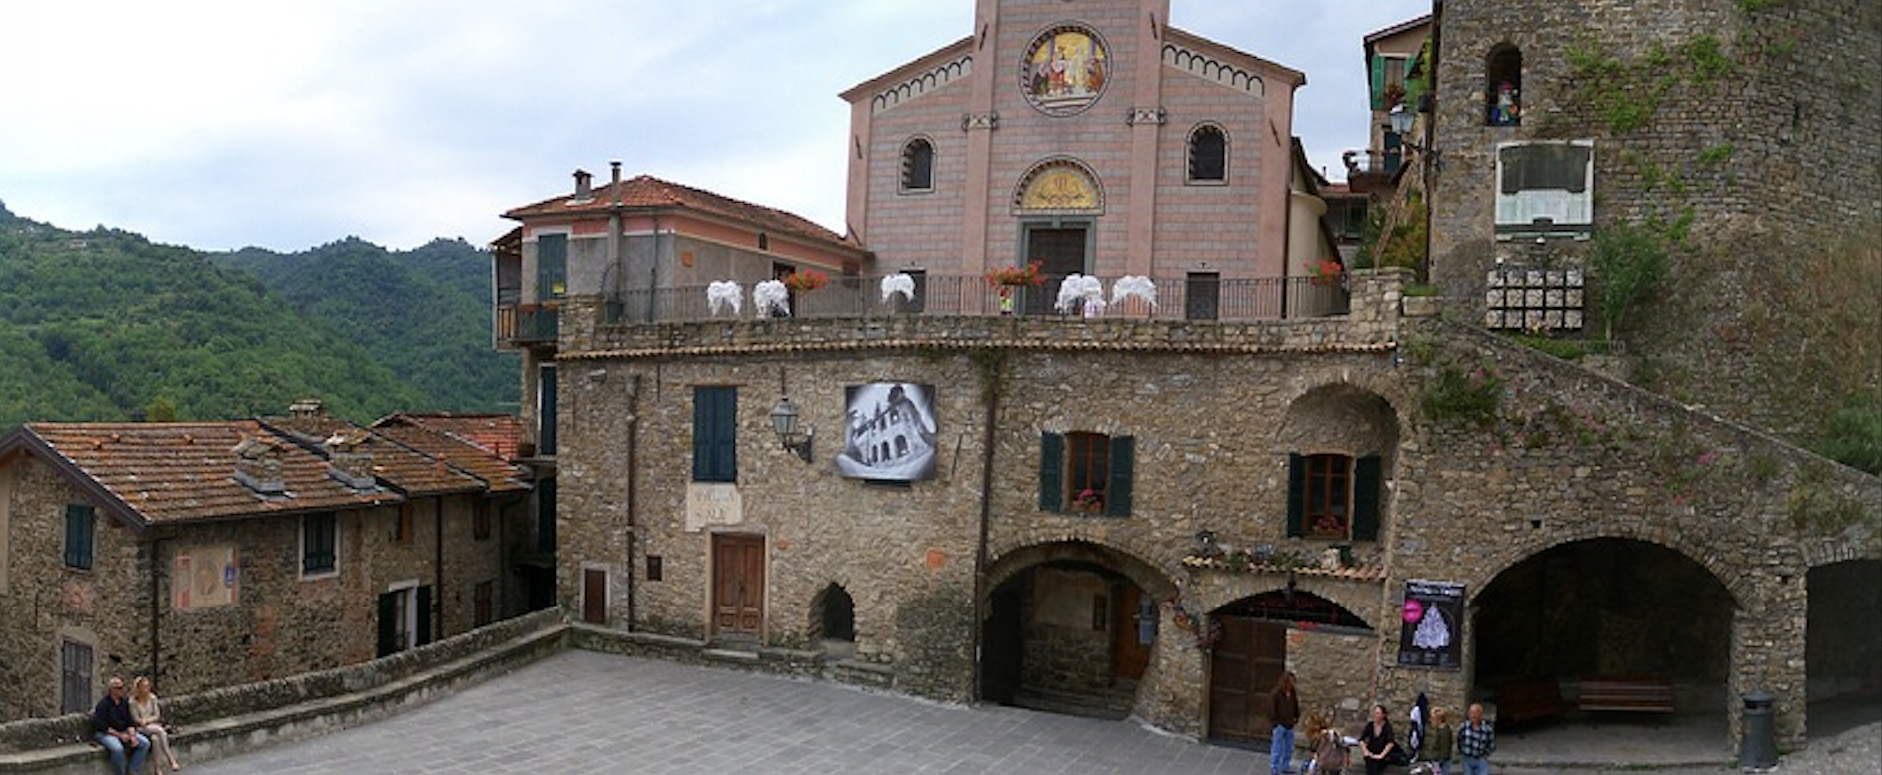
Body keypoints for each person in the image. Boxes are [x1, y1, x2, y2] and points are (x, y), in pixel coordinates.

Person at [91, 677, 150, 775]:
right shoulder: (103, 705)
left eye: (122, 687)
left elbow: (129, 722)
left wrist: (132, 736)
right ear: (112, 690)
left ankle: (133, 770)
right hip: (106, 733)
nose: (122, 690)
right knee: (117, 749)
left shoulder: (124, 702)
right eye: (119, 688)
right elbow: (102, 726)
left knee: (145, 743)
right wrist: (120, 735)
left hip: (123, 731)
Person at [130, 676, 182, 771]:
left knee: (155, 739)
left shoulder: (152, 698)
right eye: (144, 687)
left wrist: (148, 720)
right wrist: (142, 721)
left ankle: (157, 768)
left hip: (152, 725)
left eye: (148, 686)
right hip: (140, 728)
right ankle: (171, 759)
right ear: (138, 688)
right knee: (160, 731)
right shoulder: (133, 702)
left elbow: (157, 715)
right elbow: (135, 718)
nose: (147, 689)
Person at [1269, 672, 1301, 774]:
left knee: (1288, 748)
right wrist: (1275, 722)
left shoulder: (1292, 692)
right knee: (1277, 748)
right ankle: (1274, 767)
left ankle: (1285, 766)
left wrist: (1296, 716)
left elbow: (1295, 704)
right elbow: (1271, 709)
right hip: (1280, 725)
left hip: (1290, 724)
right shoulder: (1276, 694)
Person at [1358, 703, 1398, 775]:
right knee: (1370, 762)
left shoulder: (1387, 727)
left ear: (1383, 715)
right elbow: (1361, 740)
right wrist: (1365, 751)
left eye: (1378, 713)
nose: (1375, 715)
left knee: (1376, 764)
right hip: (1371, 753)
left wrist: (1381, 755)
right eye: (1375, 713)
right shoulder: (1370, 725)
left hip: (1383, 754)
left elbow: (1390, 743)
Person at [1457, 703, 1496, 775]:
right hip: (1467, 758)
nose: (1473, 715)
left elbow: (1491, 744)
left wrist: (1485, 754)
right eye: (1471, 713)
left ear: (1480, 714)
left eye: (1475, 713)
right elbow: (1459, 740)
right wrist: (1462, 752)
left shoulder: (1487, 729)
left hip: (1481, 758)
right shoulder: (1464, 726)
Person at [1426, 707, 1455, 775]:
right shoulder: (1439, 730)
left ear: (1438, 719)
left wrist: (1438, 764)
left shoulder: (1444, 732)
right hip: (1438, 762)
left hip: (1441, 764)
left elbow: (1444, 751)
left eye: (1432, 718)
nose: (1430, 720)